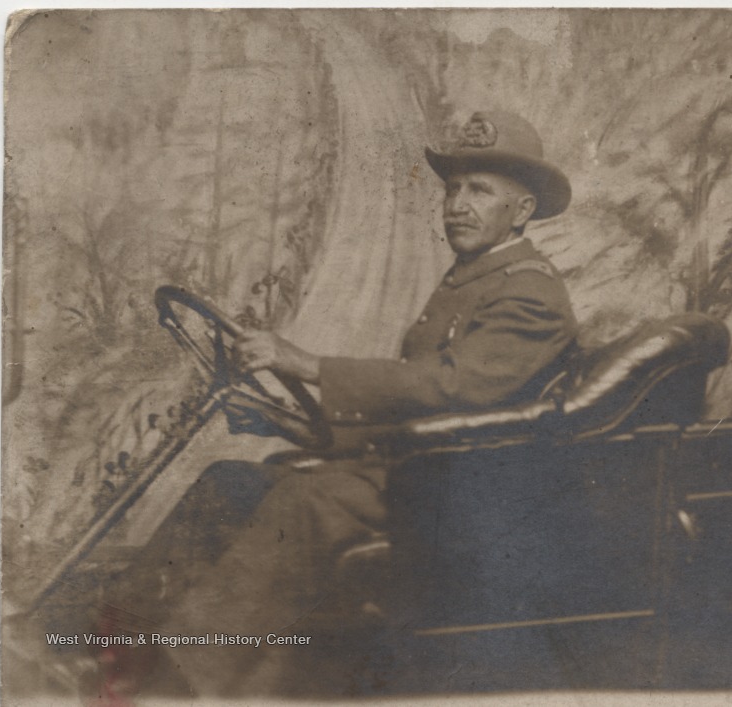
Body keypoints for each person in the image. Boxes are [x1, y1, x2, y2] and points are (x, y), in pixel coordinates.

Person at [93, 110, 578, 697]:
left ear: (521, 210)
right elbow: (418, 408)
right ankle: (114, 645)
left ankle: (179, 683)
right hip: (420, 472)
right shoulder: (475, 275)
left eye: (479, 190)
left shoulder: (529, 291)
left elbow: (451, 388)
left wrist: (309, 366)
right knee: (228, 484)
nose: (457, 205)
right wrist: (289, 421)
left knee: (307, 501)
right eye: (452, 189)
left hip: (462, 492)